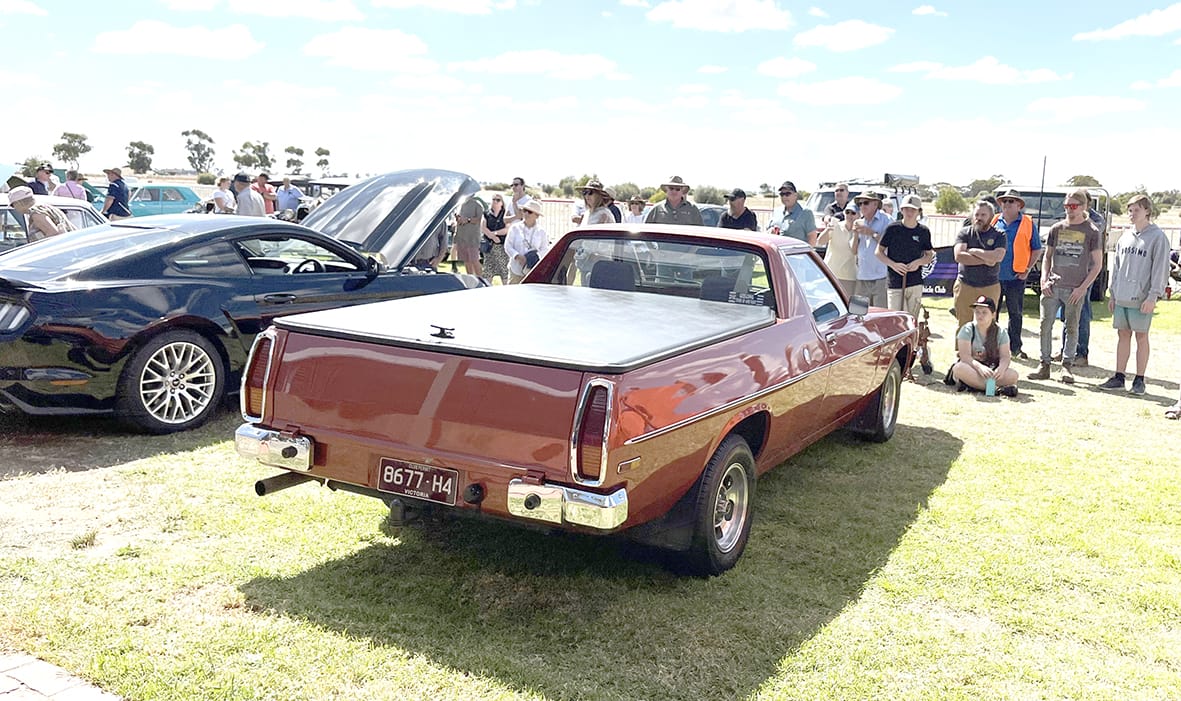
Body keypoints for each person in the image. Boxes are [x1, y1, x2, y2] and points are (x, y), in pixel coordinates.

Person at [1099, 194, 1169, 397]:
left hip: (1142, 297)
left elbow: (1160, 269)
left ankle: (1139, 380)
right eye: (1130, 210)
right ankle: (1119, 376)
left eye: (1136, 210)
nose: (1132, 214)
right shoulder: (1125, 237)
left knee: (1141, 336)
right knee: (1122, 334)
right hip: (1122, 296)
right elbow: (1117, 267)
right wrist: (1112, 293)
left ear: (1147, 211)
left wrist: (1153, 296)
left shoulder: (1158, 237)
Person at [1029, 188, 1102, 383]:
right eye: (1067, 206)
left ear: (1083, 207)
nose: (1070, 210)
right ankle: (1044, 364)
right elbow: (1047, 257)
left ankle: (1067, 365)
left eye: (1074, 206)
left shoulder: (1092, 231)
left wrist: (1083, 288)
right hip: (1052, 285)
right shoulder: (1056, 228)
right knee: (1045, 324)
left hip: (1075, 288)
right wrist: (1044, 279)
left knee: (1072, 327)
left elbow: (1097, 265)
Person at [992, 188, 1042, 360]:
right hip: (994, 277)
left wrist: (1027, 269)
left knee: (1015, 314)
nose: (1006, 204)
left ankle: (1015, 348)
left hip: (1016, 277)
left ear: (1019, 205)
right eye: (1004, 201)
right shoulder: (994, 221)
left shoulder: (1028, 223)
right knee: (991, 313)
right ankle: (992, 346)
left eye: (1011, 201)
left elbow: (1037, 249)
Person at [876, 194, 934, 319]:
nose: (909, 212)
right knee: (896, 320)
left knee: (912, 320)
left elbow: (929, 255)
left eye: (913, 209)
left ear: (919, 212)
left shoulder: (923, 231)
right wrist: (893, 265)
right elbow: (879, 252)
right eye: (907, 208)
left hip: (915, 282)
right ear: (901, 210)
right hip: (895, 282)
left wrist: (918, 262)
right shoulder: (892, 228)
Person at [950, 295, 1020, 396]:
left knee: (1013, 376)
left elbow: (1005, 356)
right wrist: (980, 368)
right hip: (972, 368)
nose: (980, 315)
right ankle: (995, 389)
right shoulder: (967, 329)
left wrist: (1001, 369)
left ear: (993, 314)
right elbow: (965, 357)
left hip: (992, 370)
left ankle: (976, 386)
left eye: (984, 312)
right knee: (958, 369)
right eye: (977, 312)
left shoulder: (1001, 332)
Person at [953, 200, 1006, 329]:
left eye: (983, 215)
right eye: (976, 215)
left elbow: (998, 256)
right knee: (964, 323)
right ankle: (963, 349)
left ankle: (987, 349)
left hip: (989, 286)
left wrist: (975, 251)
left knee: (987, 324)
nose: (979, 218)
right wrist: (987, 259)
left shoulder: (999, 235)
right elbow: (959, 256)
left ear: (991, 217)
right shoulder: (965, 233)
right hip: (965, 284)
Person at [852, 190, 890, 307]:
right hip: (862, 277)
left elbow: (891, 245)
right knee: (858, 313)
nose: (862, 206)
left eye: (866, 203)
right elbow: (853, 251)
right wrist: (855, 234)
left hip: (881, 278)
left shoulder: (887, 220)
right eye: (860, 204)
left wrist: (872, 233)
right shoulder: (859, 222)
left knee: (880, 317)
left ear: (875, 204)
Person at [817, 199, 858, 295]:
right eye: (847, 212)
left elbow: (855, 251)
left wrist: (856, 233)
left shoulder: (860, 231)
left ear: (859, 215)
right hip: (831, 273)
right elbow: (820, 242)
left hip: (849, 276)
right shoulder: (836, 226)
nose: (850, 215)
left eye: (853, 213)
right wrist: (828, 230)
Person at [6, 186, 76, 241]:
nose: (14, 208)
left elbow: (53, 234)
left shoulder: (37, 214)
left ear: (19, 203)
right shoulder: (43, 207)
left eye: (13, 205)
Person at [505, 199, 549, 283]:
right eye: (524, 211)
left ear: (537, 216)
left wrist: (532, 258)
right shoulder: (514, 228)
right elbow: (508, 246)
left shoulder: (541, 232)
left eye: (529, 212)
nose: (526, 214)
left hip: (533, 270)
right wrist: (517, 256)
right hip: (515, 270)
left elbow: (544, 249)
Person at [767, 180, 816, 245]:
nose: (784, 197)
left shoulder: (806, 213)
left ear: (795, 195)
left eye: (787, 194)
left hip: (796, 253)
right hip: (777, 253)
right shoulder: (777, 211)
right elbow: (768, 230)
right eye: (782, 194)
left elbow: (812, 238)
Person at [481, 194, 509, 284]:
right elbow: (483, 227)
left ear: (502, 202)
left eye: (498, 200)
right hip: (489, 246)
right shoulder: (486, 213)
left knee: (504, 270)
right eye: (494, 199)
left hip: (501, 246)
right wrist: (492, 236)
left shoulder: (505, 214)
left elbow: (507, 229)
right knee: (488, 270)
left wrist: (495, 233)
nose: (495, 202)